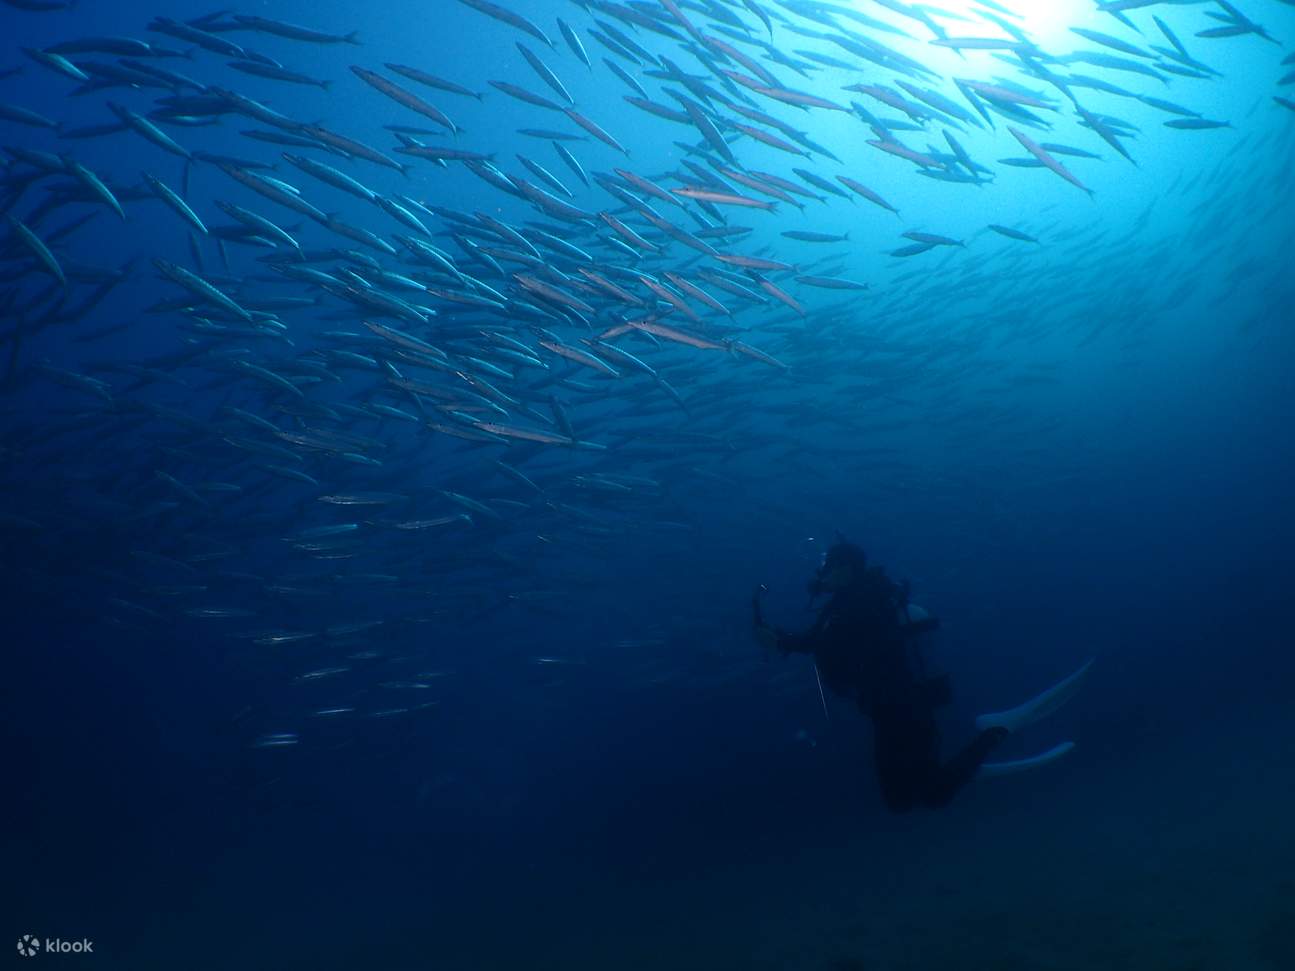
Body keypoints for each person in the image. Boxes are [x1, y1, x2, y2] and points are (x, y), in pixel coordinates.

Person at [754, 539, 1091, 813]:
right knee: (899, 800)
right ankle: (956, 772)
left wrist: (783, 640)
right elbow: (821, 639)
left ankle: (996, 730)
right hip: (885, 711)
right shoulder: (845, 603)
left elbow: (832, 640)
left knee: (930, 795)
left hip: (908, 708)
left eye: (827, 567)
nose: (821, 574)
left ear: (845, 569)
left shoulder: (865, 600)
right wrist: (781, 639)